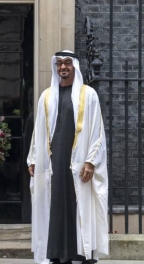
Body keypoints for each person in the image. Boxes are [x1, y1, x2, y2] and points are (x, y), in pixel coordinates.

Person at [27, 50, 108, 264]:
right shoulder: (46, 96)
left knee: (78, 206)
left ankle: (81, 254)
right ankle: (57, 255)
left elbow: (97, 131)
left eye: (67, 63)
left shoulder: (88, 94)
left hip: (79, 163)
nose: (63, 67)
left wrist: (91, 161)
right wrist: (33, 158)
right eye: (59, 63)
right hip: (53, 163)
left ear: (75, 67)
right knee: (55, 207)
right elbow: (39, 131)